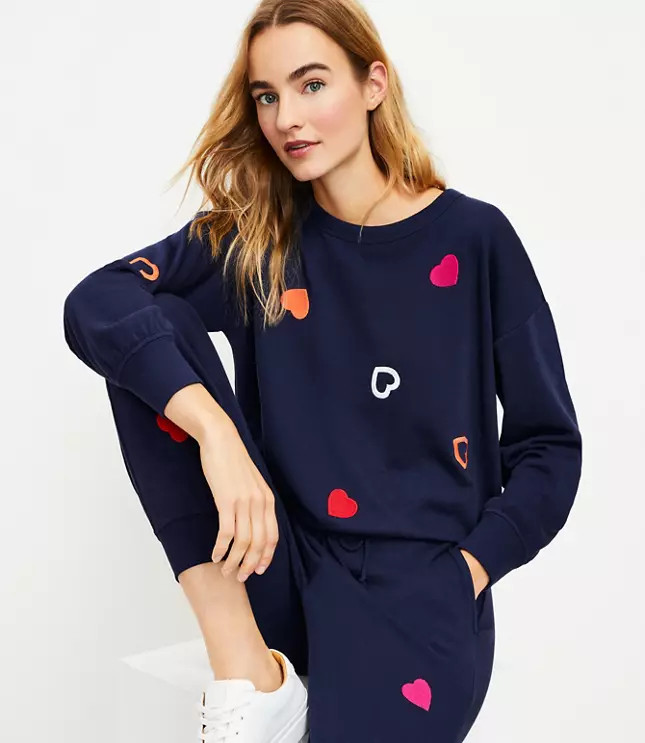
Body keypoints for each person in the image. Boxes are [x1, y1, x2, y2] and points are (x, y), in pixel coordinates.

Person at [62, 0, 583, 741]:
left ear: (373, 84)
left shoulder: (474, 239)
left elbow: (549, 446)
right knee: (151, 333)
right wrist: (217, 435)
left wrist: (468, 568)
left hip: (417, 595)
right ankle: (249, 675)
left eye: (311, 85)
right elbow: (96, 302)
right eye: (266, 96)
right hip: (276, 562)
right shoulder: (257, 241)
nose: (287, 119)